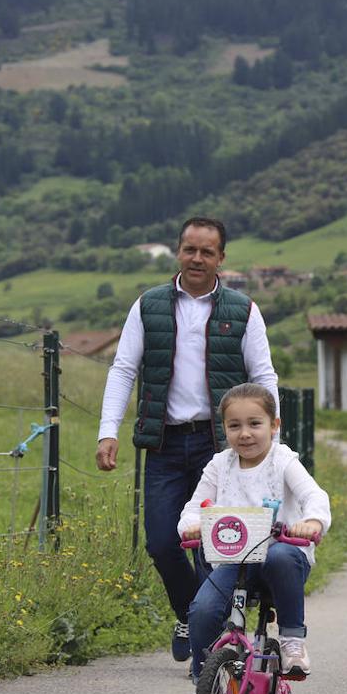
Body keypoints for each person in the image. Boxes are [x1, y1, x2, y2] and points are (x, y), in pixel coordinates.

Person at [96, 216, 278, 664]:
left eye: (207, 252)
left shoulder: (243, 310)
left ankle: (209, 653)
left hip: (221, 448)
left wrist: (270, 435)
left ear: (221, 258)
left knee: (212, 549)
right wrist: (108, 431)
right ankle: (191, 614)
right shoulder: (148, 306)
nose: (197, 259)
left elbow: (263, 375)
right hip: (164, 443)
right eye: (189, 250)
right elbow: (123, 369)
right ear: (179, 252)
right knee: (161, 542)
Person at [177, 384, 328, 694]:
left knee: (280, 556)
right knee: (202, 611)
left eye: (255, 424)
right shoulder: (219, 466)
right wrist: (192, 526)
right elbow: (194, 507)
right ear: (224, 429)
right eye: (234, 426)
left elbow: (314, 495)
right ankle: (205, 688)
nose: (245, 434)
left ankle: (292, 641)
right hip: (233, 560)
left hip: (279, 561)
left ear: (274, 425)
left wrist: (312, 521)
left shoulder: (283, 461)